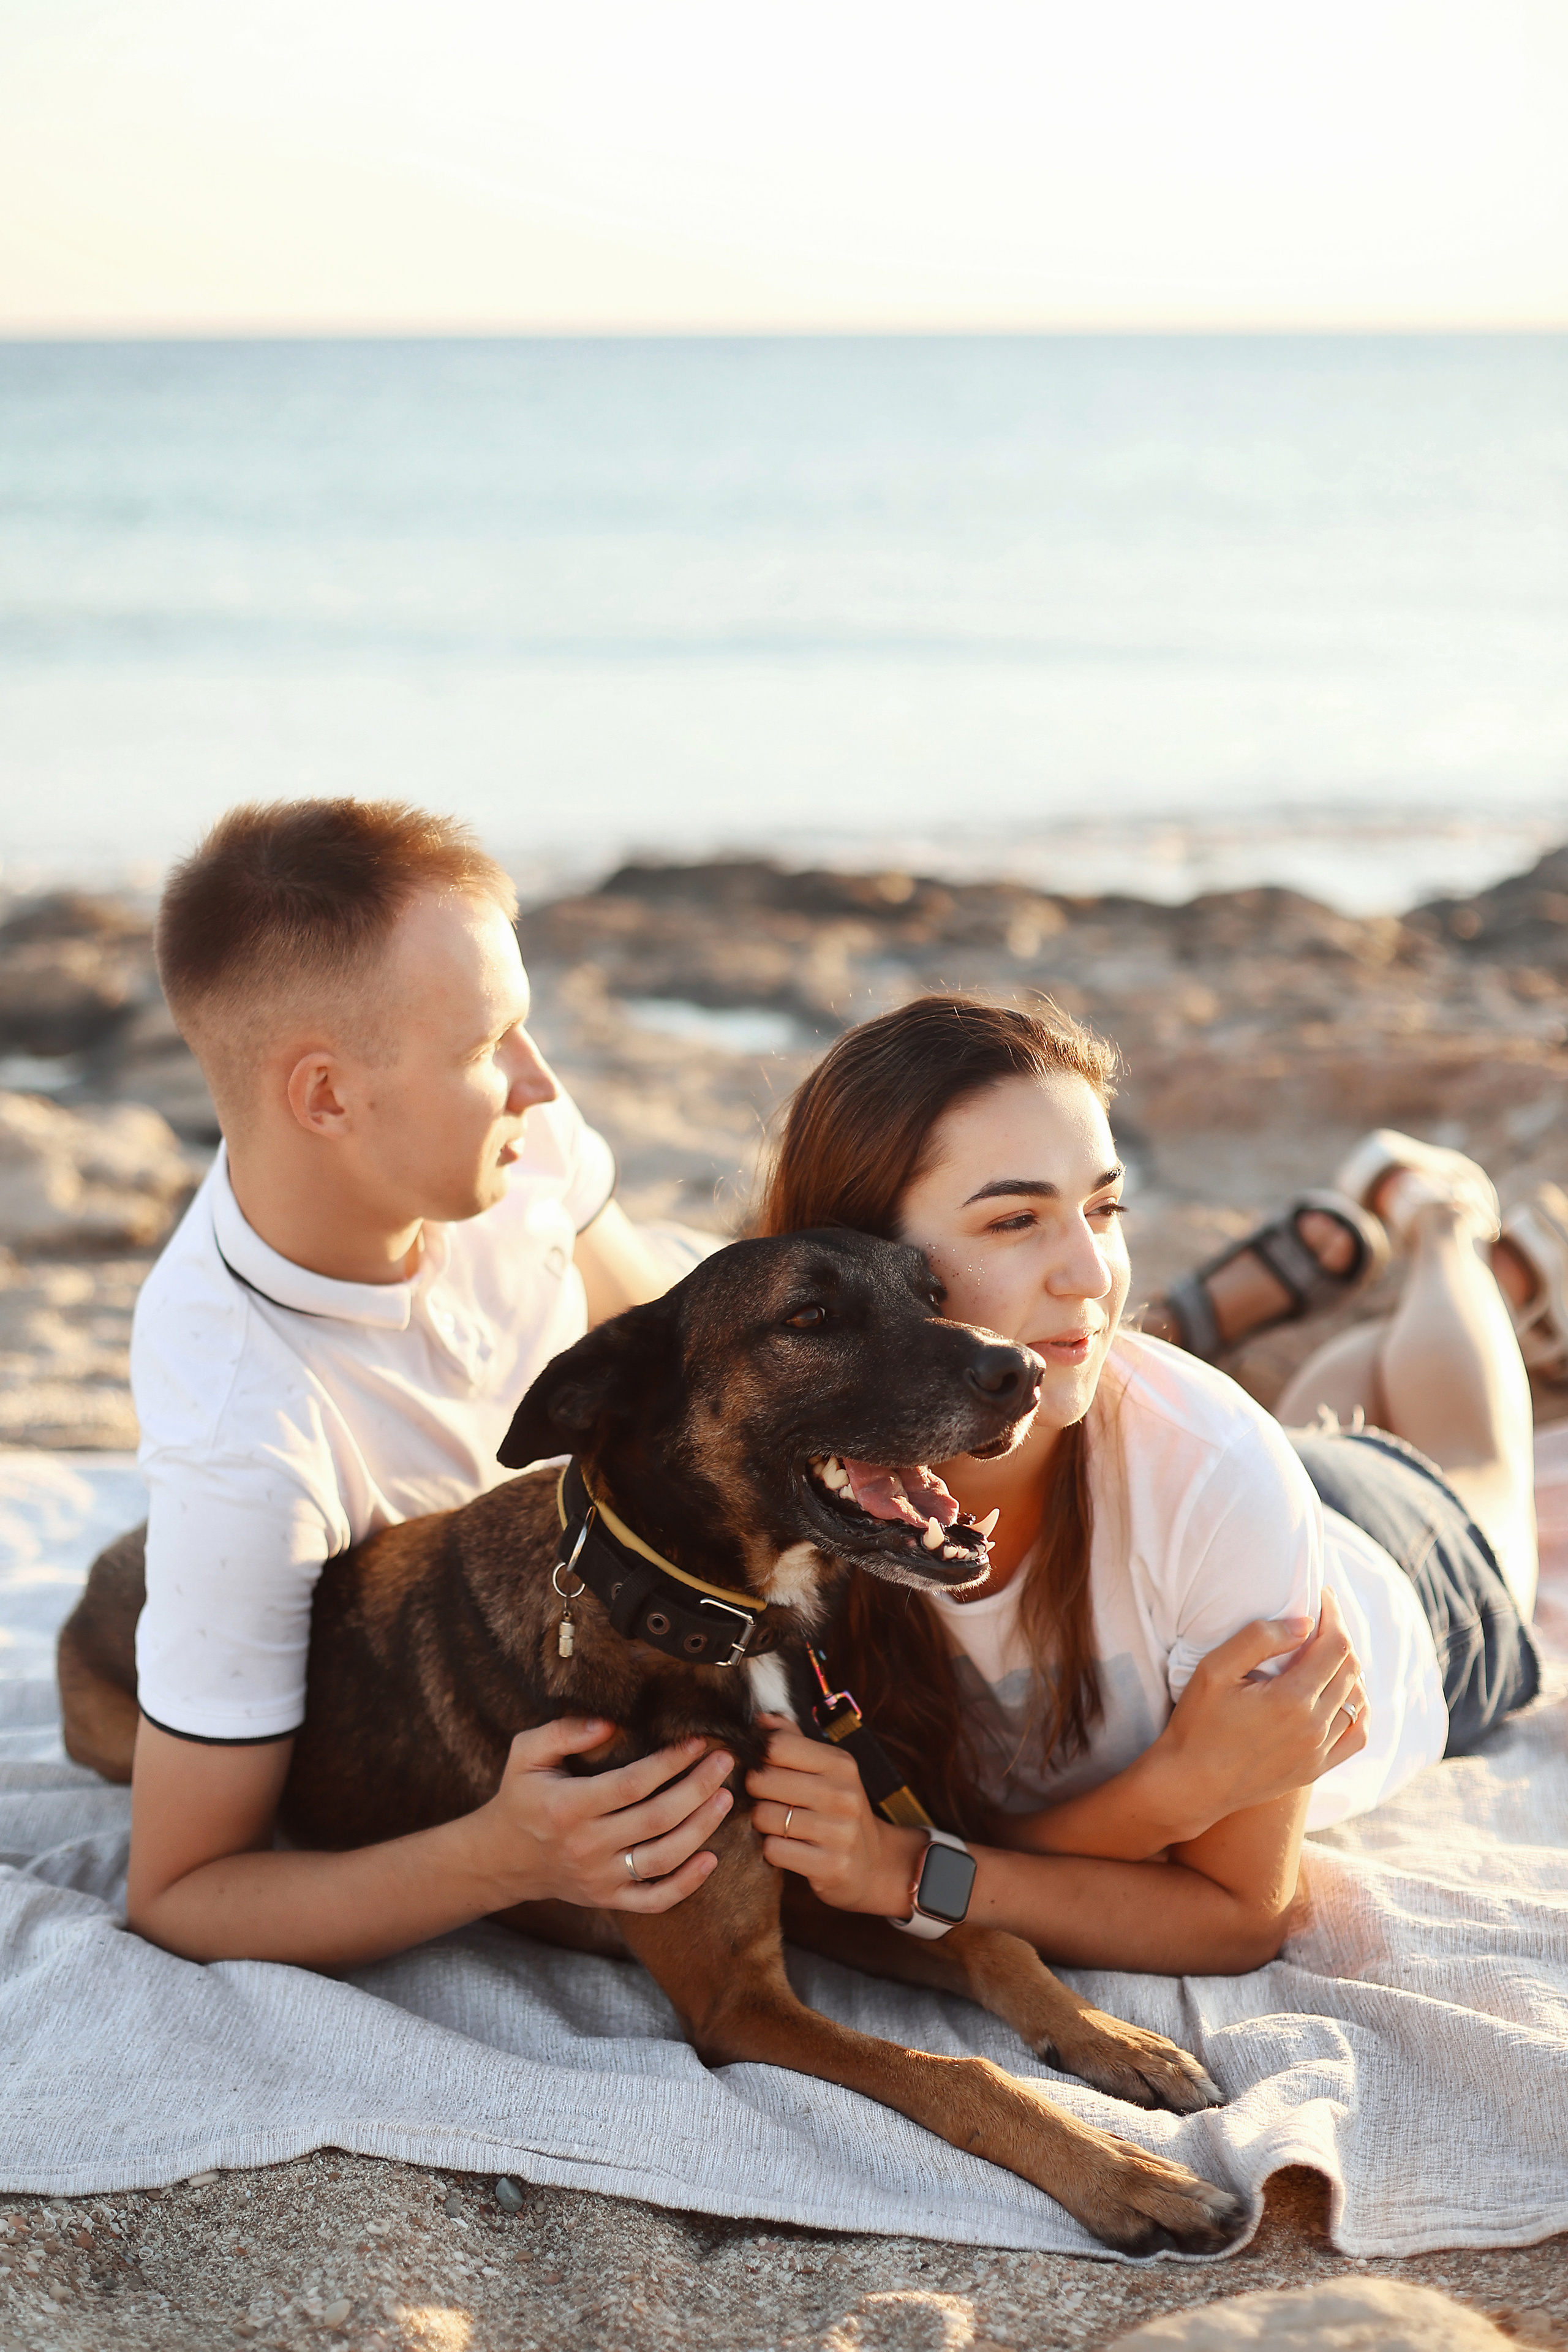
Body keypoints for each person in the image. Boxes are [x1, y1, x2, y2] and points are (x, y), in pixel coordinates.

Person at [743, 997, 1542, 1977]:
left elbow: (1241, 1915)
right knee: (1329, 1398)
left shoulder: (1220, 1472)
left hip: (1394, 1576)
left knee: (1483, 1484)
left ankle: (1443, 1228)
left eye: (1105, 1208)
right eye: (1015, 1219)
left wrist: (907, 1872)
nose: (1091, 1272)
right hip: (1208, 1483)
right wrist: (1170, 1794)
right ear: (858, 1262)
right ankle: (1330, 1313)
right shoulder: (774, 1477)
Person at [123, 799, 733, 1969]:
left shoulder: (511, 1141)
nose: (541, 1084)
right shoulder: (244, 1437)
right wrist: (503, 1856)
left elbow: (669, 1367)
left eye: (524, 1027)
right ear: (328, 1098)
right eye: (484, 1049)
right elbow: (182, 1892)